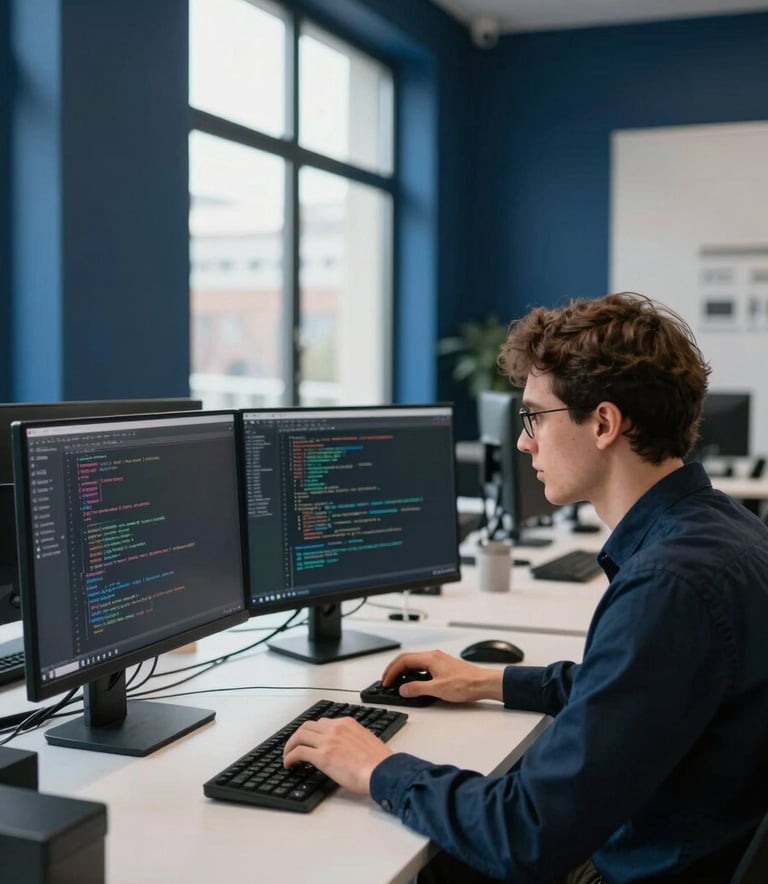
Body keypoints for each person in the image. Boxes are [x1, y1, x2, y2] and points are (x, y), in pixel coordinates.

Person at [283, 292, 768, 883]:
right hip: (691, 842)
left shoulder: (668, 586)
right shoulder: (724, 530)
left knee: (405, 861)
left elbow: (526, 833)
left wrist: (378, 767)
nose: (523, 442)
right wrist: (491, 680)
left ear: (605, 424)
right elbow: (637, 690)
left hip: (637, 866)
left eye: (535, 416)